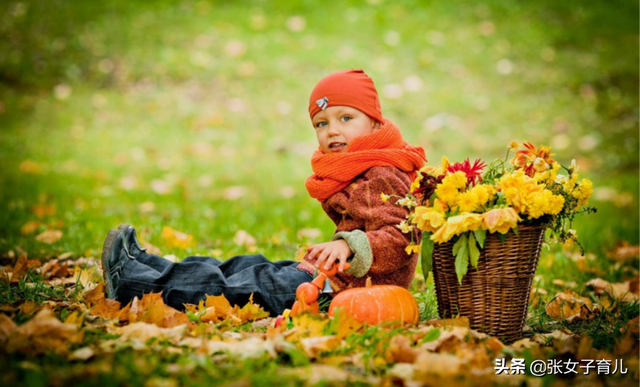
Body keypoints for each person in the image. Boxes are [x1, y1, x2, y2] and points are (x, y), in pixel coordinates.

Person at [101, 69, 427, 316]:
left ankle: (134, 284)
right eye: (321, 123)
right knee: (246, 266)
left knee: (243, 286)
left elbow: (402, 238)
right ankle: (149, 265)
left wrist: (350, 245)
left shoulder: (383, 172)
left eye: (346, 117)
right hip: (329, 278)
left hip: (347, 294)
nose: (333, 130)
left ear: (373, 123)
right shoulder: (362, 165)